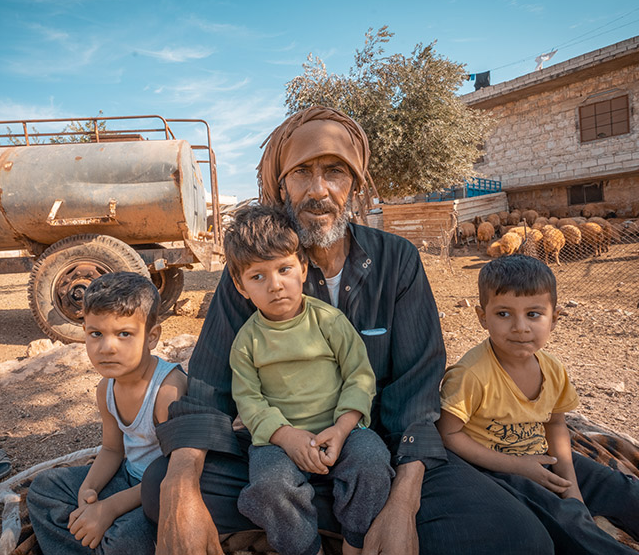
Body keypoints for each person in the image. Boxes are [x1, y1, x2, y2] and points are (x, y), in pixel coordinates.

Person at [142, 105, 554, 554]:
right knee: (160, 486)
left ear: (355, 185)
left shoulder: (398, 261)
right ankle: (322, 517)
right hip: (282, 451)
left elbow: (418, 393)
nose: (317, 190)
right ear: (282, 186)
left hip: (376, 452)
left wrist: (403, 502)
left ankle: (328, 517)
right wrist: (180, 487)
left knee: (521, 538)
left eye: (334, 172)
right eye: (301, 173)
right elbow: (209, 386)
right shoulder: (253, 270)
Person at [437, 254, 639, 555]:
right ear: (482, 317)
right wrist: (519, 466)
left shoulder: (553, 369)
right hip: (494, 470)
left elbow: (555, 424)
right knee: (571, 524)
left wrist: (572, 486)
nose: (520, 327)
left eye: (534, 314)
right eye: (504, 314)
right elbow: (448, 435)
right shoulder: (472, 375)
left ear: (554, 318)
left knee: (634, 494)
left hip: (542, 457)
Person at [225, 204, 393, 555]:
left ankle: (354, 541)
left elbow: (359, 377)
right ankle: (305, 547)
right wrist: (286, 437)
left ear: (302, 268)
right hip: (278, 441)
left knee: (373, 461)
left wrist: (343, 428)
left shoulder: (329, 322)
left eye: (284, 269)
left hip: (341, 432)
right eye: (258, 277)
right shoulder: (246, 342)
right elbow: (249, 401)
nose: (275, 286)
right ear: (240, 286)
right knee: (269, 485)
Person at [27, 272, 187, 554]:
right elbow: (113, 450)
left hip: (161, 492)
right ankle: (92, 535)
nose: (107, 347)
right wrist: (87, 492)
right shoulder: (106, 389)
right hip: (127, 477)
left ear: (152, 337)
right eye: (96, 334)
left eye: (124, 334)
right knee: (43, 489)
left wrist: (109, 509)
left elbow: (178, 473)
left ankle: (92, 539)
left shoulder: (167, 391)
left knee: (124, 540)